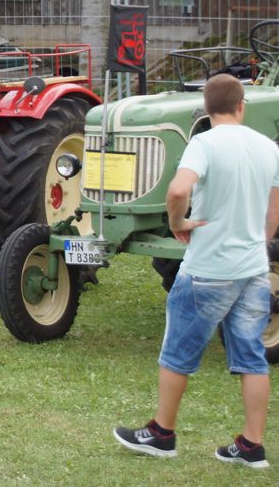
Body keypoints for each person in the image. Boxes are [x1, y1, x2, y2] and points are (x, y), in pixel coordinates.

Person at [114, 74, 279, 469]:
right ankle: (252, 445)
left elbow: (177, 190)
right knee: (252, 358)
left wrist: (177, 222)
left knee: (177, 353)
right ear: (242, 106)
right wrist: (261, 241)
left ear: (206, 109)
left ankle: (161, 433)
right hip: (253, 269)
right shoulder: (268, 147)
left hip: (207, 268)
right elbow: (275, 208)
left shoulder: (202, 143)